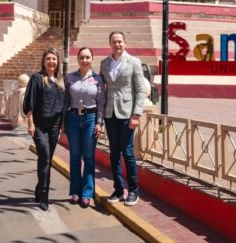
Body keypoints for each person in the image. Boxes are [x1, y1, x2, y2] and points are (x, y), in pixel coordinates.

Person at [99, 31, 146, 206]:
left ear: (124, 43)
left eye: (119, 41)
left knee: (127, 152)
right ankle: (118, 189)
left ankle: (133, 190)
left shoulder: (134, 62)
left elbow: (140, 89)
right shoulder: (104, 63)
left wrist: (136, 114)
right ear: (110, 44)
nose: (117, 44)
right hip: (110, 113)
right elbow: (101, 88)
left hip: (127, 113)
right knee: (114, 153)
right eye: (114, 42)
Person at [22, 48, 66, 211]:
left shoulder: (61, 81)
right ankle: (44, 196)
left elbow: (63, 105)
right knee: (45, 158)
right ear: (44, 61)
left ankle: (39, 188)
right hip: (40, 126)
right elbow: (30, 102)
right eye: (48, 59)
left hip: (54, 126)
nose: (51, 62)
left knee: (45, 160)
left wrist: (62, 124)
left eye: (54, 59)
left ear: (58, 62)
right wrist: (30, 123)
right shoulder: (37, 78)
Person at [64, 47, 105, 208]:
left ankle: (87, 193)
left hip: (90, 118)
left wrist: (99, 122)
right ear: (78, 59)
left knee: (88, 157)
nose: (84, 60)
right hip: (72, 118)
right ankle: (75, 191)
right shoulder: (69, 78)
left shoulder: (98, 79)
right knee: (74, 156)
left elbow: (101, 102)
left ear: (92, 59)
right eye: (82, 57)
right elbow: (65, 101)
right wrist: (63, 122)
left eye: (87, 57)